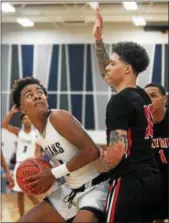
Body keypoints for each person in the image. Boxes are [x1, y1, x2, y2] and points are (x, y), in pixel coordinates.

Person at [93, 8, 161, 222]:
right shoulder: (142, 96)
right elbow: (107, 74)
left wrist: (93, 171)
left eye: (113, 64)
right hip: (151, 179)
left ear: (127, 70)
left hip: (130, 181)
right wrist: (98, 40)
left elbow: (118, 149)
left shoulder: (119, 101)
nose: (108, 68)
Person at [10, 77, 109, 222]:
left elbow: (92, 151)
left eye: (40, 92)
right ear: (23, 109)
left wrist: (52, 174)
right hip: (70, 189)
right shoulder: (39, 138)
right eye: (29, 95)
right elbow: (50, 165)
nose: (37, 95)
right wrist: (36, 177)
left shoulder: (58, 117)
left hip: (95, 187)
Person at [2, 108, 41, 216]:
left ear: (31, 121)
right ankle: (21, 216)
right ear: (22, 121)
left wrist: (37, 165)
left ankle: (41, 213)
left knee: (30, 193)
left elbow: (38, 153)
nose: (27, 120)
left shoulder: (36, 134)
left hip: (30, 165)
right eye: (24, 118)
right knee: (19, 193)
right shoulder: (19, 132)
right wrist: (11, 112)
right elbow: (4, 125)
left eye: (28, 118)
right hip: (19, 165)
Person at [144, 83, 169, 220]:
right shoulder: (140, 124)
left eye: (153, 96)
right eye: (145, 97)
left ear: (164, 99)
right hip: (153, 177)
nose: (149, 100)